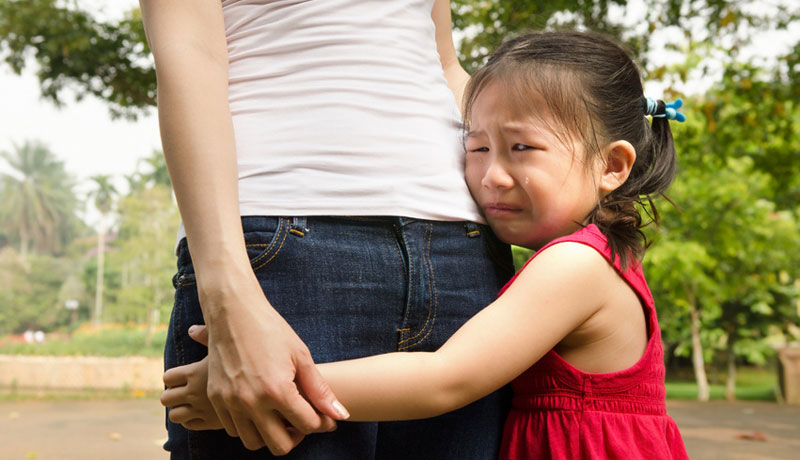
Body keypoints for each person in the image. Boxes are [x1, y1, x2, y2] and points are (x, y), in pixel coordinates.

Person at [161, 30, 691, 459]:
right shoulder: (594, 259)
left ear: (613, 165)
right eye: (478, 146)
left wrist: (277, 388)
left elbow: (445, 378)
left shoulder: (576, 265)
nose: (491, 176)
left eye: (522, 148)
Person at [139, 0, 514, 458]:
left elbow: (443, 63)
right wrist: (227, 297)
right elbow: (189, 52)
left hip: (463, 249)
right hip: (282, 247)